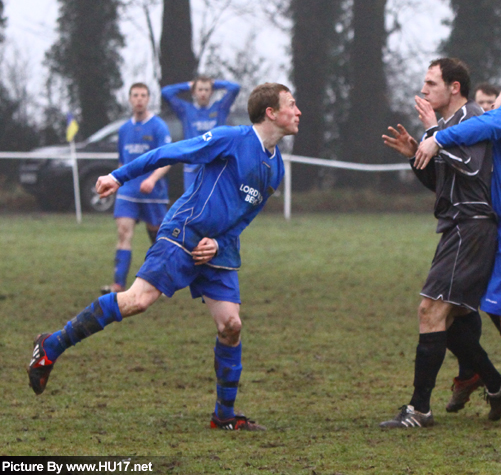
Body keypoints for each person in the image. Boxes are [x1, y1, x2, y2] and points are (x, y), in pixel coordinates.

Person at [28, 83, 301, 432]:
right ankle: (50, 346)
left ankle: (224, 417)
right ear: (271, 113)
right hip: (183, 232)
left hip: (218, 247)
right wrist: (117, 176)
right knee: (137, 301)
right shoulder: (231, 139)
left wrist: (219, 243)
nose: (298, 112)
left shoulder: (276, 167)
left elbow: (245, 217)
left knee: (231, 326)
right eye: (292, 105)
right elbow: (168, 153)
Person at [379, 58, 501, 429]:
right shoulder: (448, 127)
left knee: (430, 310)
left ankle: (419, 409)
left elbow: (472, 169)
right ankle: (497, 383)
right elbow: (443, 183)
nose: (423, 90)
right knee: (449, 318)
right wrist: (416, 155)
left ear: (454, 87)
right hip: (457, 226)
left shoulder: (472, 120)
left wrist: (433, 132)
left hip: (471, 226)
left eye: (431, 83)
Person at [416, 80, 501, 426]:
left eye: (500, 97)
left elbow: (482, 123)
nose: (493, 105)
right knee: (468, 309)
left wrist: (437, 137)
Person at [101, 83, 172, 294]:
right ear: (130, 99)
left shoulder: (159, 127)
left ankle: (163, 280)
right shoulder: (124, 130)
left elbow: (167, 160)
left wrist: (152, 179)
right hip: (129, 192)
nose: (139, 99)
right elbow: (123, 163)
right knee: (124, 233)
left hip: (153, 192)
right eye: (135, 95)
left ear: (148, 99)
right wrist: (117, 182)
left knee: (158, 238)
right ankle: (118, 285)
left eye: (143, 95)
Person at [161, 75, 240, 190]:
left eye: (207, 89)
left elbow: (235, 88)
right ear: (194, 92)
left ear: (212, 92)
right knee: (192, 204)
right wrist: (189, 85)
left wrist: (214, 83)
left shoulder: (220, 108)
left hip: (215, 166)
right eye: (200, 89)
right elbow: (166, 92)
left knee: (215, 204)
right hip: (192, 167)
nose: (203, 93)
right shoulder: (186, 110)